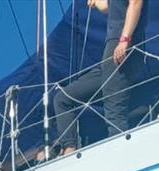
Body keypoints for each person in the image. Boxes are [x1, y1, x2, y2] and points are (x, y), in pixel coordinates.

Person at [53, 0, 146, 154]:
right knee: (63, 99)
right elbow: (111, 7)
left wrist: (125, 39)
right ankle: (69, 150)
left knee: (114, 111)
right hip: (112, 50)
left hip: (122, 45)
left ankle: (120, 156)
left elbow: (136, 2)